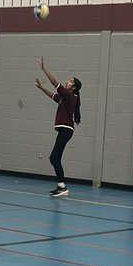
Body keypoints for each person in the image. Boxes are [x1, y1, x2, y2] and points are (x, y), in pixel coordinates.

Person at [34, 57, 81, 197]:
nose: (67, 81)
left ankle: (62, 187)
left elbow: (55, 83)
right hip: (65, 130)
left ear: (74, 87)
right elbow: (53, 96)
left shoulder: (71, 96)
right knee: (55, 158)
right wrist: (42, 88)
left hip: (66, 130)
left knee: (54, 157)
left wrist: (44, 69)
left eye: (70, 81)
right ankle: (61, 186)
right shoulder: (66, 98)